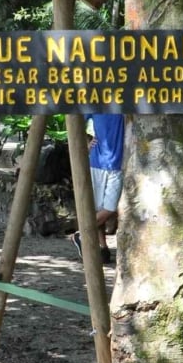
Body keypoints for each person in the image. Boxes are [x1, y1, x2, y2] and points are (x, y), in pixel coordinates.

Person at [70, 112, 124, 264]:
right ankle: (102, 248)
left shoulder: (127, 98)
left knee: (110, 208)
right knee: (98, 208)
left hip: (119, 164)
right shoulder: (94, 100)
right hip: (97, 163)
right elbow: (76, 124)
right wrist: (87, 145)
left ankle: (82, 234)